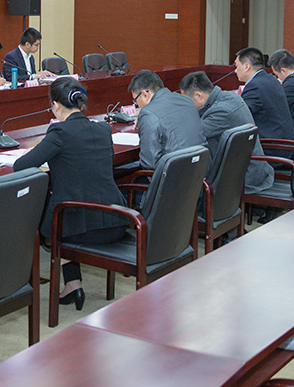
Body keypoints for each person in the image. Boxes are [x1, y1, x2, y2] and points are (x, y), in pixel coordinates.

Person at [13, 77, 126, 311]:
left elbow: (21, 166)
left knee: (50, 214)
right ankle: (73, 285)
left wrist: (37, 149)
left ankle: (22, 281)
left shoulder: (59, 132)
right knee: (66, 211)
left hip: (83, 228)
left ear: (55, 105)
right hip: (116, 219)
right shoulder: (103, 129)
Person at [179, 71, 273, 194]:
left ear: (198, 95)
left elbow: (192, 135)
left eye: (186, 101)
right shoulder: (230, 97)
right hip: (253, 170)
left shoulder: (221, 111)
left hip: (244, 179)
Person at [128, 70, 206, 171]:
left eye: (136, 100)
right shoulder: (187, 101)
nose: (138, 105)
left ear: (145, 94)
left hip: (172, 176)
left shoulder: (149, 113)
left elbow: (149, 164)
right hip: (199, 171)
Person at [235, 47, 294, 146]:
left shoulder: (254, 86)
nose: (235, 71)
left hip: (272, 147)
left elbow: (241, 116)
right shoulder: (271, 79)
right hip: (283, 142)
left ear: (246, 66)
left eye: (237, 66)